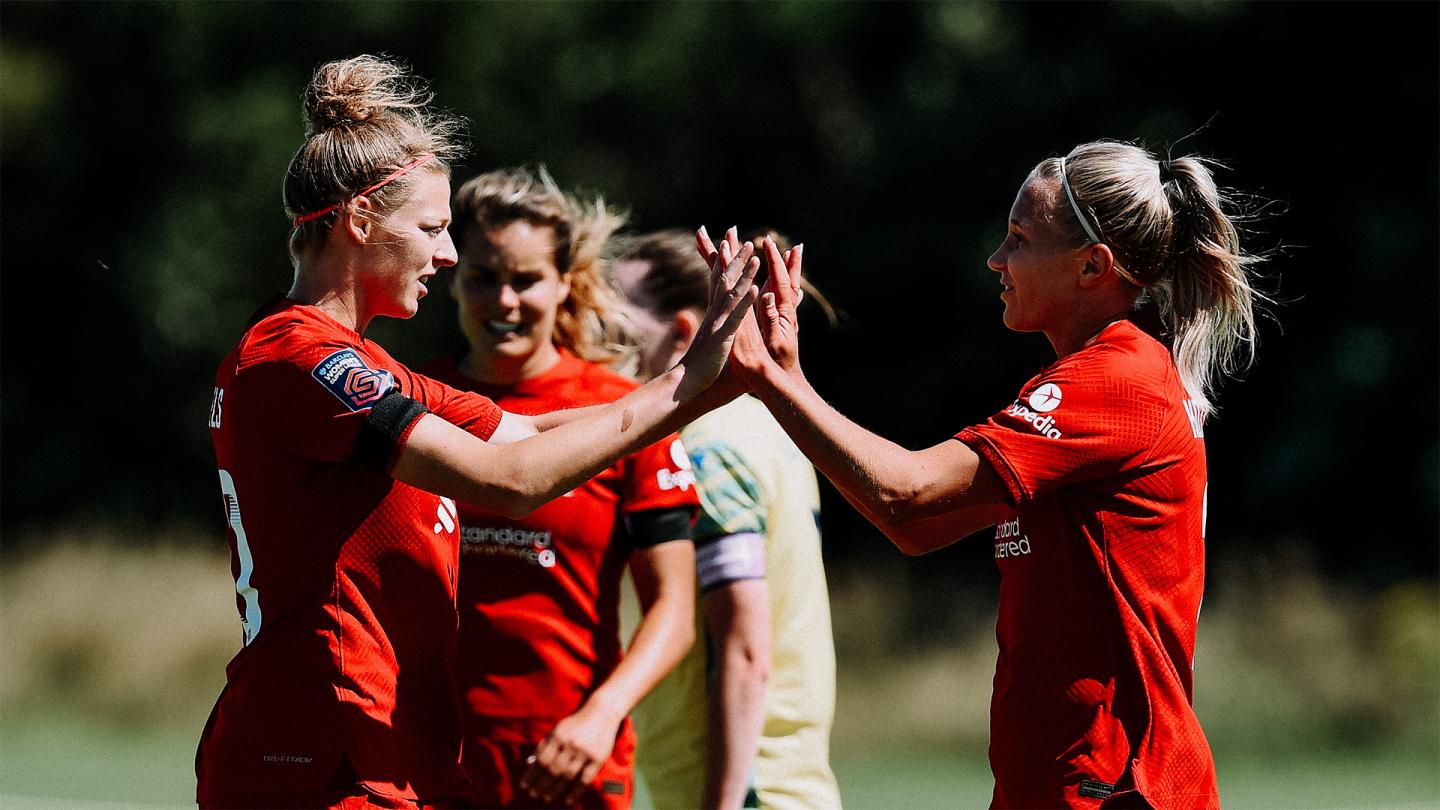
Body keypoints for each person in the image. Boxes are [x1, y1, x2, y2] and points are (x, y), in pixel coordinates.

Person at [199, 55, 758, 809]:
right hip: (320, 762)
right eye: (432, 228)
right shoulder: (297, 356)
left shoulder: (364, 364)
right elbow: (511, 480)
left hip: (383, 761)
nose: (450, 254)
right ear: (361, 222)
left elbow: (520, 433)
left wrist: (692, 389)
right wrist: (685, 386)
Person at [718, 140, 1267, 809]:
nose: (997, 259)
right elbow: (918, 526)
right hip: (1062, 787)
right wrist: (789, 379)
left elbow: (906, 489)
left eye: (1019, 239)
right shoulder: (1093, 379)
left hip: (1114, 790)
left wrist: (775, 384)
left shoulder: (1113, 380)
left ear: (1092, 266)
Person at [421, 168, 698, 810]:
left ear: (564, 283)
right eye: (483, 278)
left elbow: (674, 612)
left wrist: (602, 716)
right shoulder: (414, 401)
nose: (505, 302)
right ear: (453, 278)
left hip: (571, 759)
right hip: (430, 755)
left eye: (526, 280)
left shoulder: (623, 415)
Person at [614, 230, 842, 810]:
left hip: (743, 794)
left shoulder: (705, 453)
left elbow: (743, 650)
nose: (597, 348)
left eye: (615, 330)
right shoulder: (764, 429)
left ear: (684, 333)